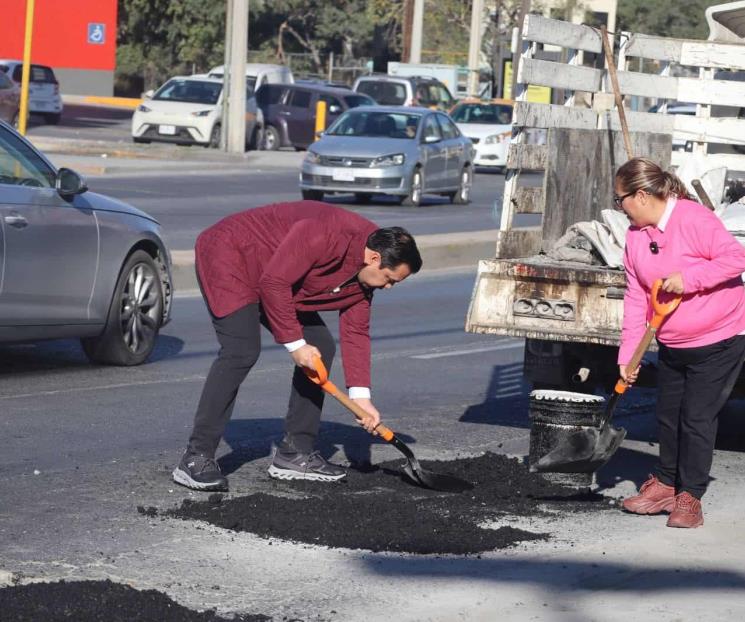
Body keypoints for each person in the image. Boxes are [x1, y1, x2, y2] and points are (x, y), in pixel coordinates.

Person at [172, 200, 422, 491]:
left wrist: (361, 398)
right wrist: (295, 344)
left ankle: (295, 453)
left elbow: (356, 332)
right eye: (390, 280)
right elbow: (275, 283)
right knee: (241, 350)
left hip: (276, 275)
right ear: (375, 259)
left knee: (321, 346)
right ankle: (195, 458)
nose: (388, 287)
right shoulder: (325, 234)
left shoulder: (366, 275)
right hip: (232, 254)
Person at [614, 157, 745, 528]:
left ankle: (690, 497)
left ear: (641, 195)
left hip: (720, 338)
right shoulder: (636, 236)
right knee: (667, 415)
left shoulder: (693, 218)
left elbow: (735, 258)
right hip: (673, 341)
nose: (618, 208)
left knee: (696, 418)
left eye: (619, 199)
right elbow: (636, 297)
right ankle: (666, 484)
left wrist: (689, 279)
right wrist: (629, 355)